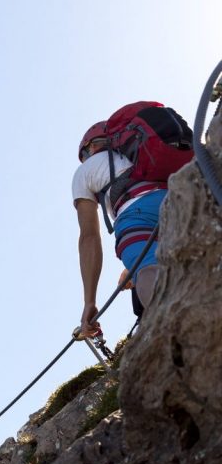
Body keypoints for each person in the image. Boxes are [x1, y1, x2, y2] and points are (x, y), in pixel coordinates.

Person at [73, 122, 165, 337]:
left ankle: (178, 331)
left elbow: (89, 237)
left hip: (136, 215)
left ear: (91, 147)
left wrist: (89, 302)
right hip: (178, 193)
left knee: (148, 271)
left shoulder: (85, 170)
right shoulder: (144, 150)